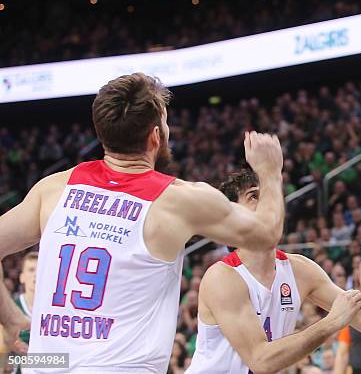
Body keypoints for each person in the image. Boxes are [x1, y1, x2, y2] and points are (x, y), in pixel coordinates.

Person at [0, 73, 286, 373]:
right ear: (155, 136)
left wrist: (9, 318)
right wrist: (269, 171)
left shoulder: (54, 189)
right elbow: (267, 233)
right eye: (165, 123)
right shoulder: (180, 200)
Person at [187, 170, 361, 374]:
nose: (269, 202)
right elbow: (260, 360)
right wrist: (331, 322)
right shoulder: (222, 276)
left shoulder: (300, 270)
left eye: (271, 195)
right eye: (254, 196)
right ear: (232, 215)